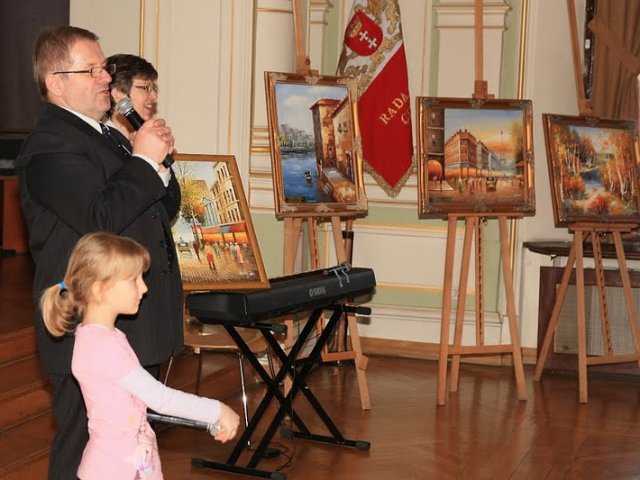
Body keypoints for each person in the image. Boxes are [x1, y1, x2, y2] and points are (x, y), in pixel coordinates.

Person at [16, 25, 183, 479]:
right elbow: (100, 219)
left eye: (104, 68)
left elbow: (160, 209)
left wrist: (157, 161)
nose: (106, 77)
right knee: (83, 451)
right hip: (85, 326)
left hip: (131, 319)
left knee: (125, 448)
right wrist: (143, 161)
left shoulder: (108, 136)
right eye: (91, 70)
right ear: (56, 83)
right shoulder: (50, 146)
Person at [40, 232, 240, 480]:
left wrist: (205, 420)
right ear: (99, 288)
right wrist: (216, 410)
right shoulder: (104, 347)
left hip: (129, 464)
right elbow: (159, 398)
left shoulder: (97, 337)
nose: (144, 288)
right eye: (133, 280)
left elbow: (130, 404)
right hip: (117, 470)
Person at [105, 53, 159, 137]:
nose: (155, 96)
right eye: (146, 88)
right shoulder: (99, 140)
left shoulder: (147, 138)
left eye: (154, 89)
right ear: (119, 94)